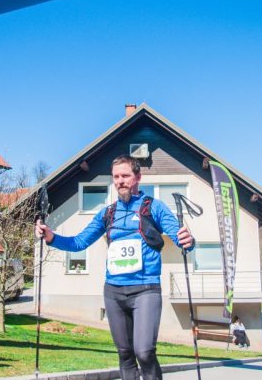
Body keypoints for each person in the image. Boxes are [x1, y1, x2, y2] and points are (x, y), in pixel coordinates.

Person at [35, 155, 194, 380]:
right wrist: (51, 237)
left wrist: (188, 241)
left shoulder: (154, 207)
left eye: (125, 176)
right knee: (125, 355)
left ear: (138, 177)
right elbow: (79, 242)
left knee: (144, 352)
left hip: (145, 290)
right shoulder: (107, 213)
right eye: (116, 177)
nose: (120, 181)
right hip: (114, 292)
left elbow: (180, 238)